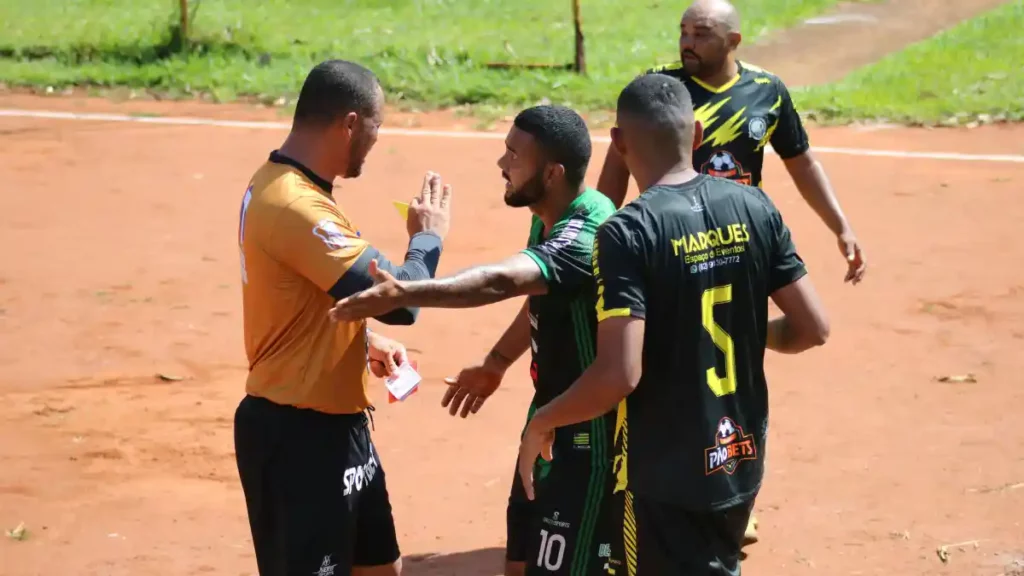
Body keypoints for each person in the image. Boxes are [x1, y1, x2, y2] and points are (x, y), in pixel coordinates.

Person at [518, 73, 830, 575]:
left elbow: (619, 375)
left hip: (664, 473)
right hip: (739, 458)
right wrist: (748, 330)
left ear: (618, 144)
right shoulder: (755, 206)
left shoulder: (627, 231)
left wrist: (543, 419)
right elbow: (812, 327)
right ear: (699, 135)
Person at [329, 105, 617, 576]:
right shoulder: (548, 214)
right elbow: (541, 295)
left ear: (552, 172)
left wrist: (409, 289)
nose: (502, 165)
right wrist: (497, 361)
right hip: (546, 419)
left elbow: (500, 282)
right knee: (521, 560)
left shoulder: (586, 230)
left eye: (514, 156)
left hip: (586, 435)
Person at [232, 59, 452, 576]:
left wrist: (361, 336)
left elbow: (303, 295)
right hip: (298, 437)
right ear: (351, 123)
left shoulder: (288, 186)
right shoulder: (294, 206)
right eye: (377, 127)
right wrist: (428, 237)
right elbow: (400, 299)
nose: (377, 141)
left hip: (339, 427)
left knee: (380, 567)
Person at [596, 0, 866, 288]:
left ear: (732, 41)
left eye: (701, 34)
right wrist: (596, 234)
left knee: (766, 324)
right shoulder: (659, 86)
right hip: (676, 235)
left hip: (740, 234)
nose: (688, 43)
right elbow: (618, 160)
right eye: (683, 33)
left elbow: (803, 164)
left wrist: (842, 228)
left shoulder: (767, 91)